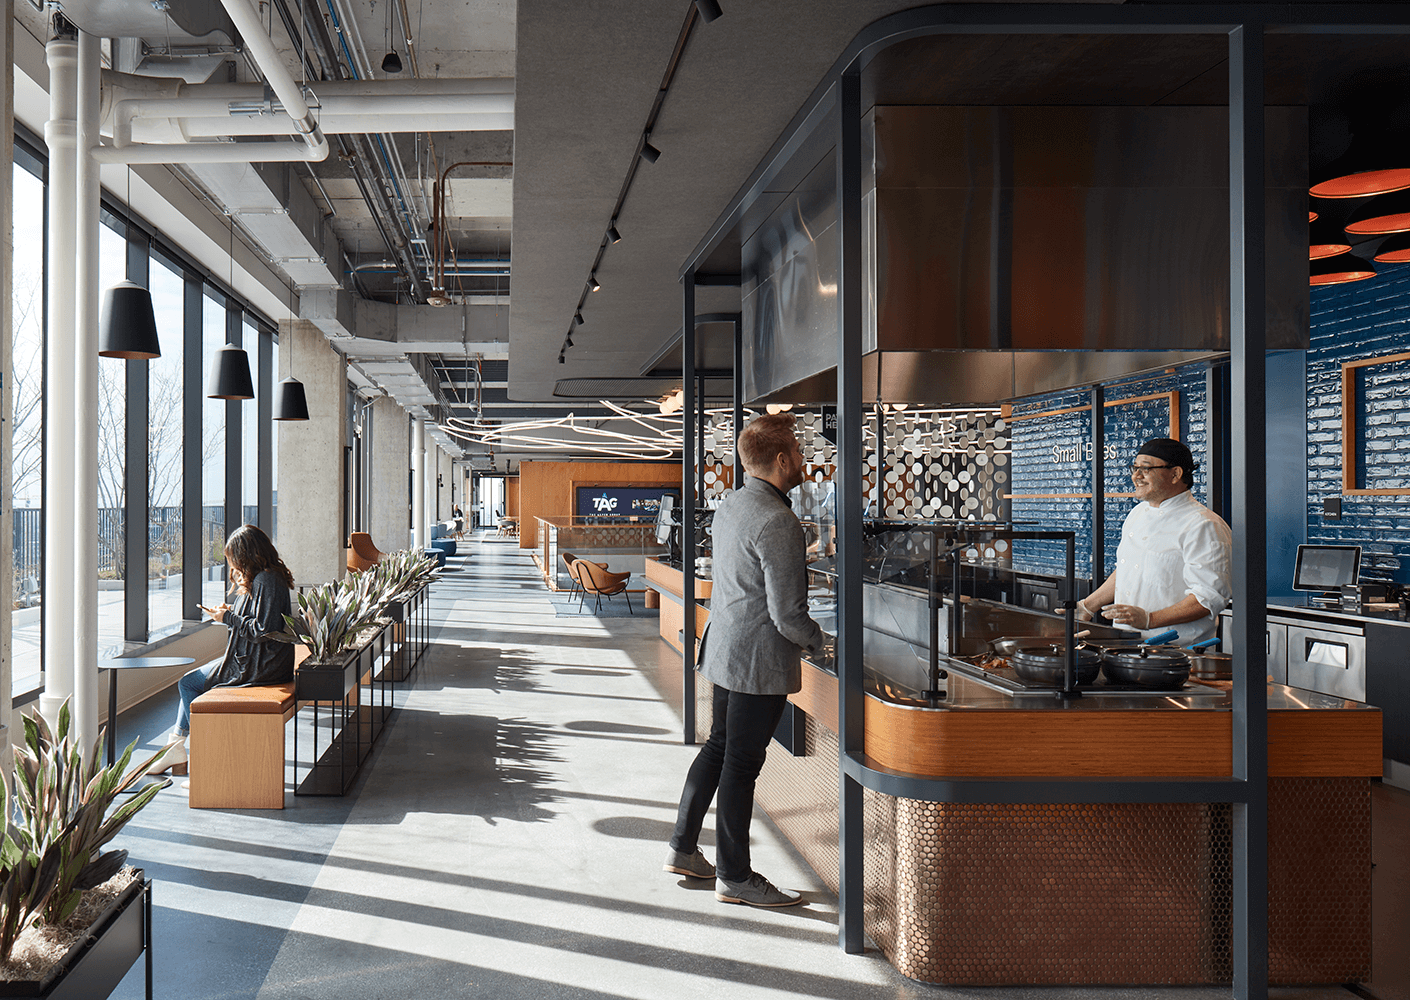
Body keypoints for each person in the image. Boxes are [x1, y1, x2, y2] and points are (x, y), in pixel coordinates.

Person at [664, 413, 824, 908]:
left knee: (718, 748)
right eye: (798, 451)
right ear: (781, 460)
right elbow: (787, 614)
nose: (803, 459)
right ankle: (734, 875)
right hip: (757, 660)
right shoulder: (780, 520)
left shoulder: (733, 504)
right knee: (740, 766)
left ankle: (683, 848)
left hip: (724, 648)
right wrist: (820, 641)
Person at [149, 524, 296, 775]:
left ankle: (190, 751)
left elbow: (263, 629)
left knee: (189, 683)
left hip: (261, 666)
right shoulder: (267, 577)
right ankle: (175, 747)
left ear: (247, 554)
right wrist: (229, 612)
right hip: (260, 661)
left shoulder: (266, 580)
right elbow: (258, 620)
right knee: (190, 682)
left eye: (235, 559)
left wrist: (226, 618)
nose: (234, 566)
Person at [1077, 437, 1232, 645]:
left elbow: (1208, 598)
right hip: (1125, 644)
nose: (1136, 476)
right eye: (1134, 468)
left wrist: (1151, 619)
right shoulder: (1137, 514)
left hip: (1176, 654)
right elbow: (1127, 570)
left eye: (1146, 469)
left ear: (1176, 474)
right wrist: (1087, 606)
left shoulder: (1203, 525)